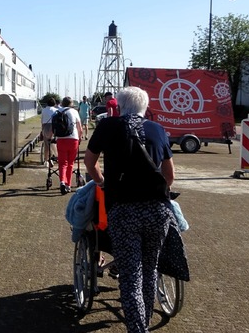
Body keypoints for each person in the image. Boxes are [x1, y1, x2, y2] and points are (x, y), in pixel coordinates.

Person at [83, 86, 176, 333]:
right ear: (146, 106)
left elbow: (89, 162)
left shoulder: (107, 126)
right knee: (149, 269)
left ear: (120, 106)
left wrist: (102, 182)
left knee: (131, 275)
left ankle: (137, 329)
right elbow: (169, 176)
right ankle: (143, 323)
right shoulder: (158, 129)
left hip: (124, 210)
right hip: (157, 211)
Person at [55, 96, 83, 194]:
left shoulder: (58, 111)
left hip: (61, 139)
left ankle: (62, 181)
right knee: (70, 163)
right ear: (71, 104)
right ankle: (68, 184)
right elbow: (80, 128)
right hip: (73, 139)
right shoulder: (74, 112)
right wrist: (80, 137)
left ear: (62, 103)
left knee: (62, 163)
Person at [40, 97, 58, 163]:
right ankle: (55, 156)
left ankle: (46, 159)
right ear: (54, 103)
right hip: (54, 127)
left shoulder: (44, 110)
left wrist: (42, 130)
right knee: (53, 143)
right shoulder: (56, 110)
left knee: (46, 144)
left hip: (45, 127)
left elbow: (42, 121)